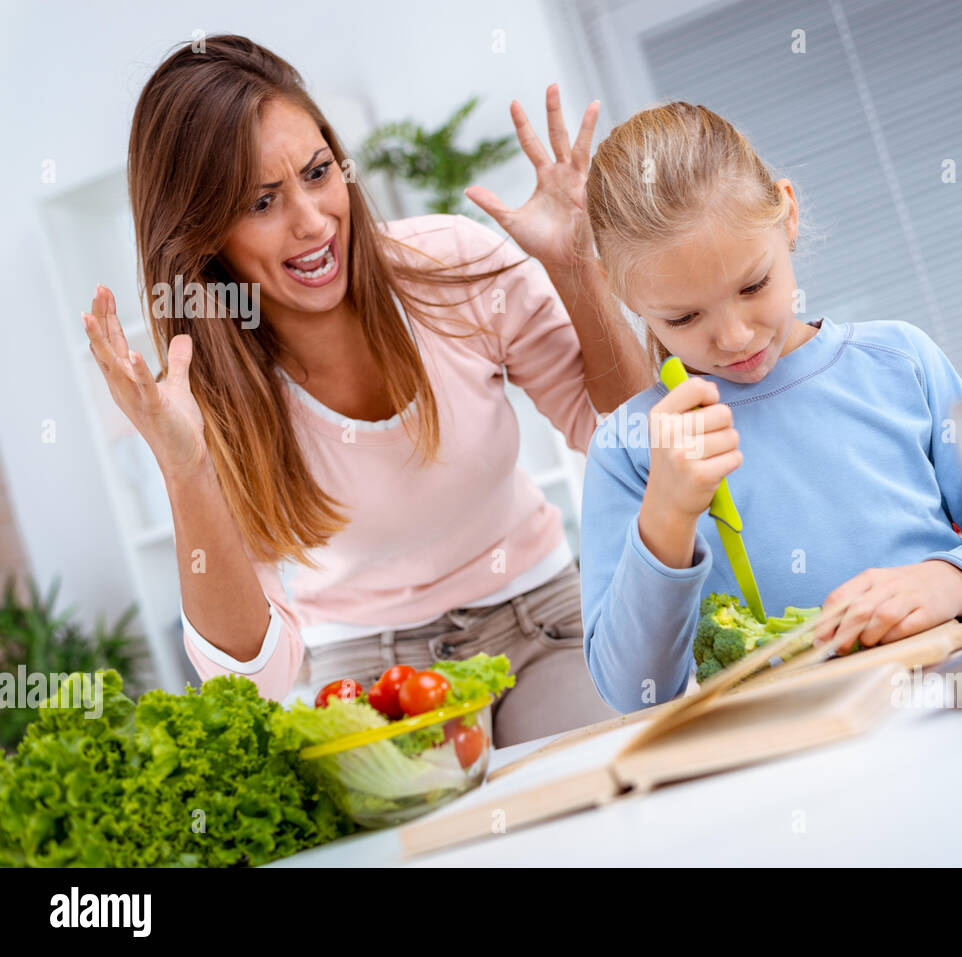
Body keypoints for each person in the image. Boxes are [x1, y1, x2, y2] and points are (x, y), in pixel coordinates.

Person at [80, 35, 652, 745]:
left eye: (318, 173)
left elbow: (634, 444)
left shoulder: (449, 268)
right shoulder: (206, 398)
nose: (314, 221)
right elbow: (249, 676)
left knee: (598, 775)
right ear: (202, 236)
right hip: (368, 674)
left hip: (544, 617)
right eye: (262, 202)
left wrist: (578, 272)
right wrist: (185, 465)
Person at [578, 102, 962, 713]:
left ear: (789, 216)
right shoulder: (630, 450)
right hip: (788, 753)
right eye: (683, 316)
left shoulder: (901, 362)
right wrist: (668, 515)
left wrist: (951, 580)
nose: (733, 337)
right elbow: (634, 693)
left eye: (753, 286)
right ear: (621, 292)